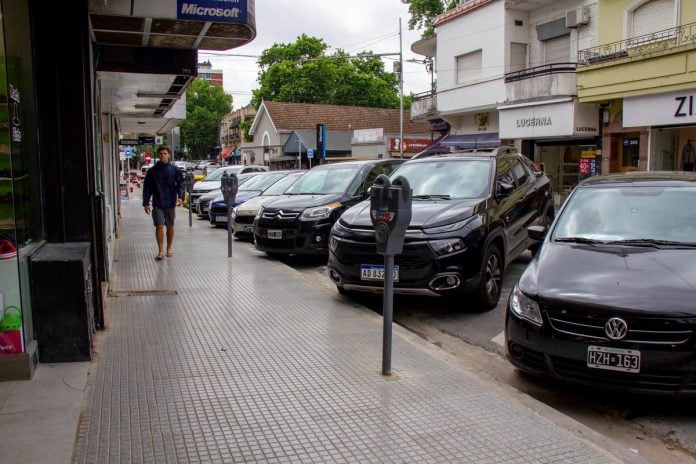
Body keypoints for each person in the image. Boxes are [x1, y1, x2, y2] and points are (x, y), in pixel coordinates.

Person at [142, 146, 184, 260]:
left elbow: (180, 183)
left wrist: (180, 197)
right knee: (159, 226)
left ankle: (169, 247)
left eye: (165, 153)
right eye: (160, 153)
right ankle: (160, 250)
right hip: (157, 202)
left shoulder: (175, 170)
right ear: (158, 155)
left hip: (170, 202)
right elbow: (147, 188)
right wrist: (146, 202)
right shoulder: (152, 171)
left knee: (170, 226)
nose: (163, 155)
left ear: (168, 155)